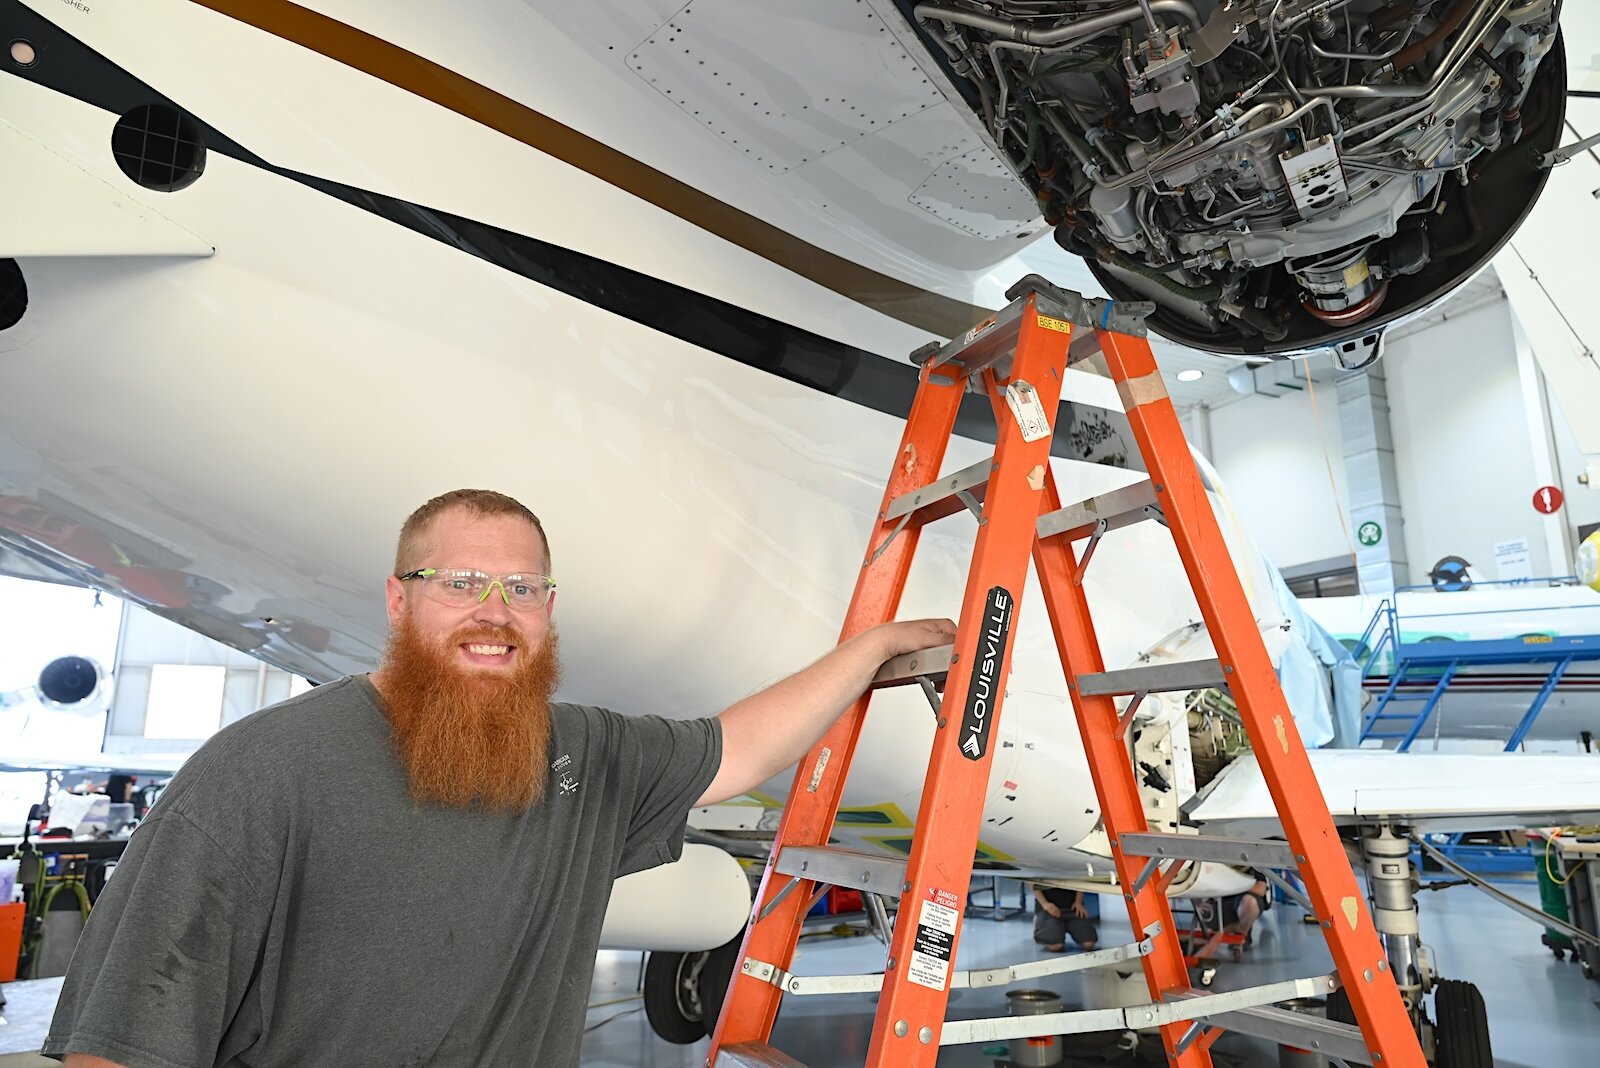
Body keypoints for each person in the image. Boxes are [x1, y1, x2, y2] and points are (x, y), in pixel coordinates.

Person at [44, 489, 955, 1068]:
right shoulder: (259, 773)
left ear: (550, 611)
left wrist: (871, 650)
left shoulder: (585, 755)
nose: (496, 614)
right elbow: (122, 1045)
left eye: (523, 590)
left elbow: (741, 748)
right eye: (462, 583)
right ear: (398, 599)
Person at [1032, 884, 1098, 952]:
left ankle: (1064, 926)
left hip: (1071, 906)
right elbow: (1032, 882)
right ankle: (1041, 922)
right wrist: (1045, 904)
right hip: (1049, 907)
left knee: (1089, 944)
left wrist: (1078, 902)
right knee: (1055, 946)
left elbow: (1081, 879)